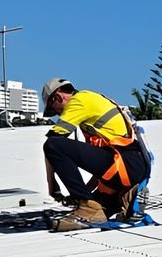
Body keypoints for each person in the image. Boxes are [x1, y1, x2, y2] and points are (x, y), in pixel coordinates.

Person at [40, 77, 152, 231]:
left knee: (54, 145)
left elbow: (53, 143)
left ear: (58, 97)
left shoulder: (78, 101)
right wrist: (84, 193)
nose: (57, 115)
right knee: (99, 210)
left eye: (54, 110)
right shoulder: (92, 101)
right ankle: (127, 199)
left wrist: (52, 186)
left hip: (124, 164)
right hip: (131, 167)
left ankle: (90, 208)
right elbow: (101, 163)